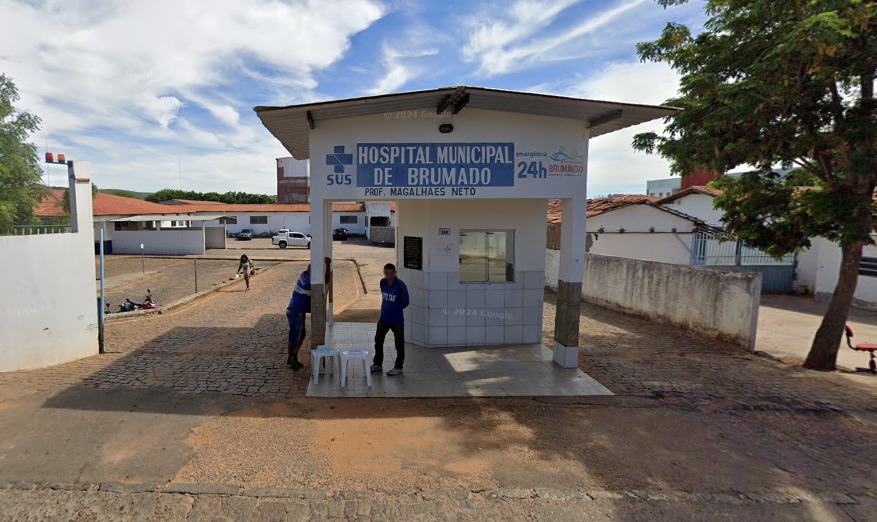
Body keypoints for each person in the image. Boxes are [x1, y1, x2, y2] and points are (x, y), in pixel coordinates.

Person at [371, 263, 410, 376]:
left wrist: (396, 309)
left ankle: (398, 367)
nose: (388, 276)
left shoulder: (400, 285)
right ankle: (377, 364)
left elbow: (406, 302)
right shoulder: (382, 282)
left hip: (397, 321)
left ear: (395, 273)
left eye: (391, 273)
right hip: (383, 319)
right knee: (378, 341)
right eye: (386, 273)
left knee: (399, 344)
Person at [286, 264, 311, 370]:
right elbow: (326, 281)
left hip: (294, 310)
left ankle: (292, 357)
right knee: (295, 337)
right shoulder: (309, 283)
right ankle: (291, 358)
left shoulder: (303, 275)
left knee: (300, 335)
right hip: (297, 312)